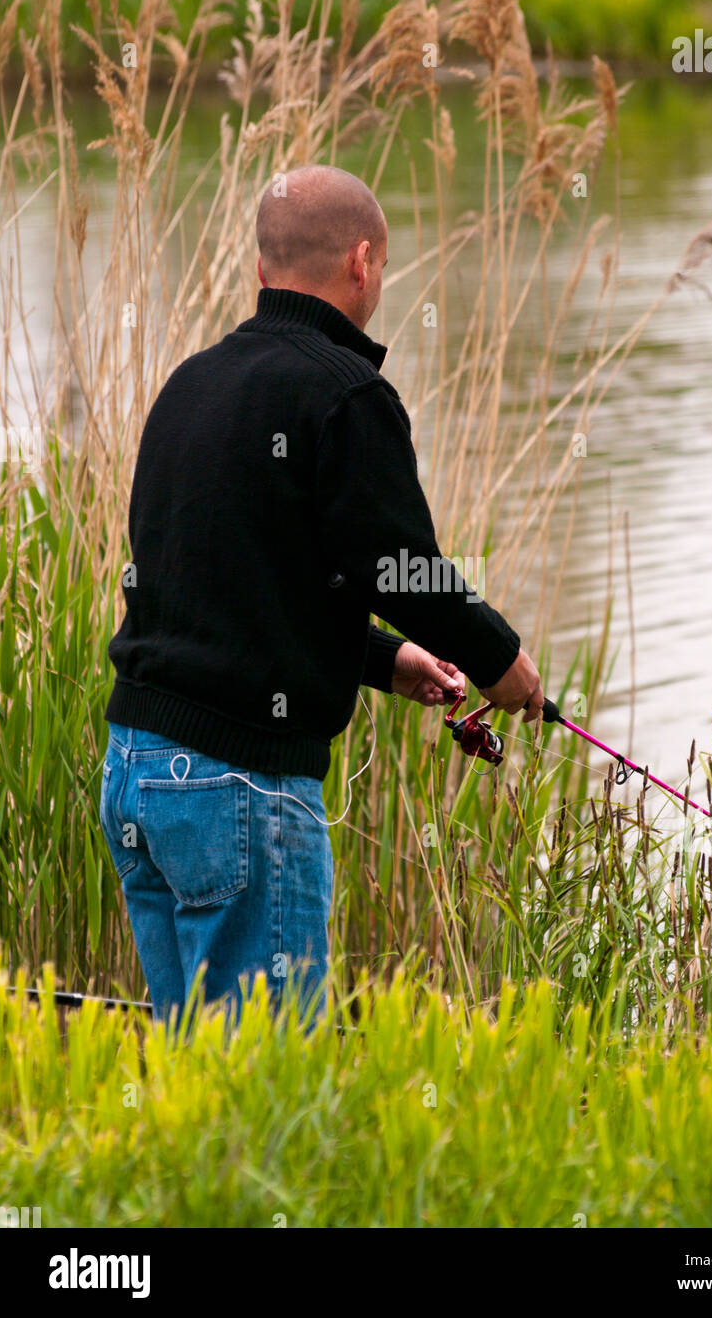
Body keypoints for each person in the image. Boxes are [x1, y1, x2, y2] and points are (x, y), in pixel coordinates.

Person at [99, 164, 544, 1025]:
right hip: (240, 785)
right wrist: (503, 664)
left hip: (137, 772)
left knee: (195, 1075)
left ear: (263, 272)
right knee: (263, 1087)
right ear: (363, 262)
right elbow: (402, 566)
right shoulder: (346, 394)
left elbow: (225, 579)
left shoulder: (190, 383)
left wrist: (385, 659)